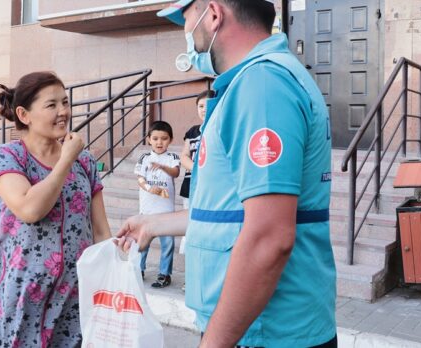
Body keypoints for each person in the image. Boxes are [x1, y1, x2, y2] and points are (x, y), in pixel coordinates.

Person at [117, 0, 336, 347]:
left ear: (214, 15)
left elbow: (269, 236)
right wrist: (153, 224)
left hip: (264, 332)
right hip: (259, 328)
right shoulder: (256, 82)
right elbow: (231, 213)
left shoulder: (261, 86)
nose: (187, 34)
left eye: (186, 21)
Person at [0, 71, 111, 347]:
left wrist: (114, 269)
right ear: (24, 114)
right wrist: (65, 160)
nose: (63, 111)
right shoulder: (7, 157)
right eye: (52, 105)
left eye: (65, 102)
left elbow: (101, 231)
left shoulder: (85, 162)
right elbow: (30, 209)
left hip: (78, 293)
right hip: (25, 294)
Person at [135, 121, 180, 289]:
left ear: (170, 140)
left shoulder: (172, 158)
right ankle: (139, 269)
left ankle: (164, 274)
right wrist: (148, 188)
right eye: (155, 138)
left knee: (167, 244)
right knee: (142, 242)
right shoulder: (144, 158)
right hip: (147, 210)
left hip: (166, 211)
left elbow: (175, 172)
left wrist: (162, 166)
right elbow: (140, 178)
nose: (159, 142)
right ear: (149, 140)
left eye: (164, 138)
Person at [178, 89, 213, 292]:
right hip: (191, 187)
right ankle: (190, 278)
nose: (204, 110)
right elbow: (184, 156)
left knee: (206, 233)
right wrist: (197, 168)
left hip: (211, 189)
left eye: (208, 106)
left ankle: (206, 279)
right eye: (201, 106)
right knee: (190, 233)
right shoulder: (192, 132)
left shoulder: (220, 129)